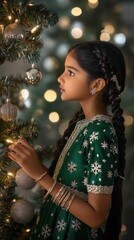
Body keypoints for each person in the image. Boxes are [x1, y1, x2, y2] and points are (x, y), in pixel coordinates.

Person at [8, 41, 127, 240]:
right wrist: (35, 167)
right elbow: (71, 186)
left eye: (71, 72)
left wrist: (41, 176)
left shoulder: (100, 133)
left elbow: (96, 217)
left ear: (96, 84)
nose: (60, 78)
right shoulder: (84, 125)